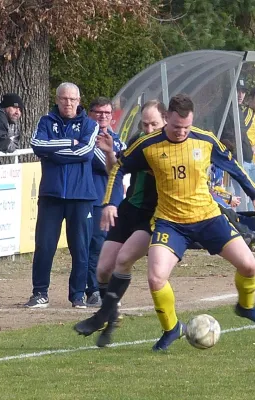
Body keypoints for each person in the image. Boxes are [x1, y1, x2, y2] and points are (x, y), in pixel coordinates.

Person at [75, 94, 255, 351]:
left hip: (208, 217)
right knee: (156, 277)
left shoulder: (204, 140)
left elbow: (233, 166)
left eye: (186, 127)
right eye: (176, 126)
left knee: (249, 265)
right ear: (168, 118)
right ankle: (171, 328)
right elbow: (119, 168)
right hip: (170, 222)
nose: (181, 132)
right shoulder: (148, 145)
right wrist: (110, 203)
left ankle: (246, 307)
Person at [74, 100, 166, 346]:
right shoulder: (138, 141)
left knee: (123, 259)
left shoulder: (173, 146)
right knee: (103, 268)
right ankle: (112, 317)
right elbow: (116, 170)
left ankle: (104, 315)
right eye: (144, 124)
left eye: (154, 124)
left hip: (154, 215)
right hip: (129, 210)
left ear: (165, 121)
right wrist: (108, 154)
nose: (148, 129)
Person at [24, 82, 98, 309]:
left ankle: (77, 295)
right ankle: (40, 292)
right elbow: (37, 145)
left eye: (72, 99)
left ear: (79, 100)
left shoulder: (90, 124)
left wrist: (53, 151)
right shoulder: (46, 121)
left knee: (80, 248)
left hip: (81, 196)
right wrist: (70, 145)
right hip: (51, 195)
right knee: (45, 246)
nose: (68, 103)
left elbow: (86, 152)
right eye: (64, 99)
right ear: (57, 99)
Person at [85, 96, 126, 307]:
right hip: (94, 199)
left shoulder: (117, 139)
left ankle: (108, 288)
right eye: (98, 113)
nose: (102, 117)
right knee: (96, 245)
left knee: (114, 247)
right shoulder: (87, 137)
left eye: (107, 113)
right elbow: (114, 168)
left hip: (115, 201)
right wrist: (116, 159)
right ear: (90, 114)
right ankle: (93, 290)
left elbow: (122, 168)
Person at [220, 80, 255, 196]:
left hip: (248, 159)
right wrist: (233, 155)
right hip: (238, 161)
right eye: (237, 91)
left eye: (243, 92)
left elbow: (242, 135)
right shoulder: (224, 110)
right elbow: (224, 137)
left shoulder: (238, 109)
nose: (240, 95)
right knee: (242, 197)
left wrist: (249, 148)